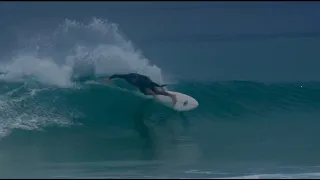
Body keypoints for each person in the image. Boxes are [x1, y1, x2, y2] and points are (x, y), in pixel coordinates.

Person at [104, 73, 177, 105]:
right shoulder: (127, 76)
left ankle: (172, 96)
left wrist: (159, 86)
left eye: (134, 81)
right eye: (133, 81)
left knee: (154, 91)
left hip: (146, 81)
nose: (133, 82)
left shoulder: (142, 80)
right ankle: (153, 94)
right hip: (141, 85)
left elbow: (151, 83)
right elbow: (116, 75)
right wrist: (109, 78)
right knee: (145, 93)